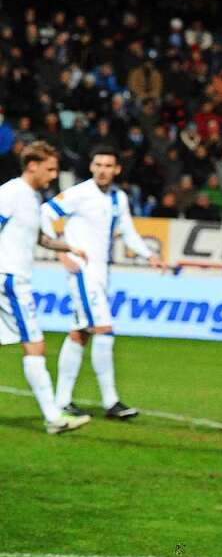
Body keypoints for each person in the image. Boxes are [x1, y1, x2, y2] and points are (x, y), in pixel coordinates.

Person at [42, 147, 167, 419]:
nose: (102, 169)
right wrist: (62, 252)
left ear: (117, 170)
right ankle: (111, 401)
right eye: (97, 164)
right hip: (83, 272)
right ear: (91, 167)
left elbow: (129, 232)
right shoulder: (79, 193)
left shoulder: (118, 198)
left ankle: (62, 400)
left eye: (108, 165)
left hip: (101, 274)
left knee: (80, 333)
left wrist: (149, 255)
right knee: (104, 329)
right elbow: (45, 214)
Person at [0, 141, 90, 434]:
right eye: (50, 169)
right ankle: (54, 418)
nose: (53, 175)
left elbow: (41, 238)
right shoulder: (11, 193)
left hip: (10, 277)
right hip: (10, 278)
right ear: (32, 165)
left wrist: (69, 246)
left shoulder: (32, 198)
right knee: (34, 344)